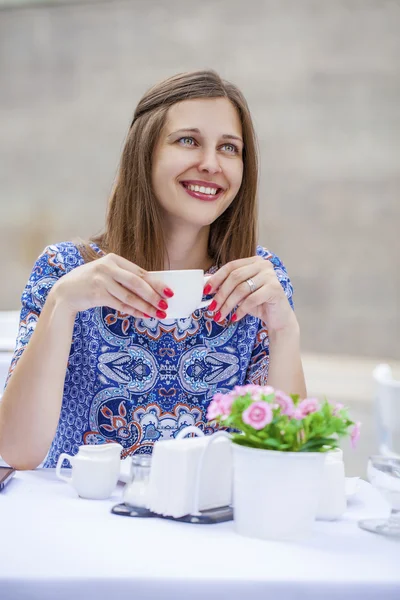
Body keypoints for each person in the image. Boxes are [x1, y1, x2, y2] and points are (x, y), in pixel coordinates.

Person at [0, 70, 306, 470]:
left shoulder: (256, 282)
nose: (211, 164)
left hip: (208, 524)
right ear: (144, 152)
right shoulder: (66, 271)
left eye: (229, 148)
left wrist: (285, 330)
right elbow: (16, 452)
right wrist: (62, 303)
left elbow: (290, 457)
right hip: (86, 524)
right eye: (188, 141)